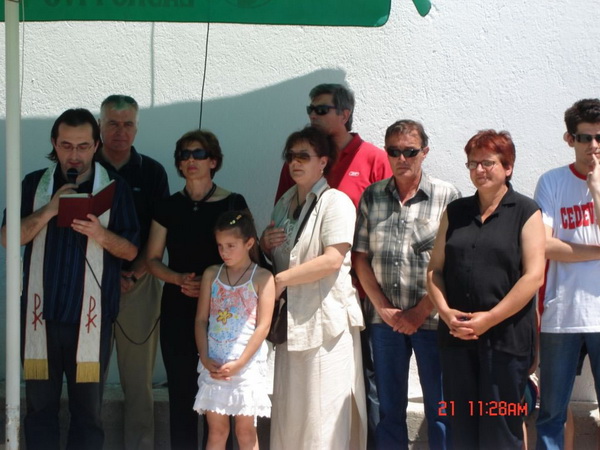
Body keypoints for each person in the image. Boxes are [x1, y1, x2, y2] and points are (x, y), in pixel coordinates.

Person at [1, 108, 139, 449]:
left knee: (88, 413)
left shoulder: (115, 189)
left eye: (82, 146)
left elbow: (130, 251)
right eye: (66, 145)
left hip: (90, 318)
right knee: (39, 409)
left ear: (96, 146)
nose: (74, 155)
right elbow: (8, 237)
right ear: (54, 143)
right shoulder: (34, 184)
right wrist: (50, 209)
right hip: (40, 317)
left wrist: (100, 234)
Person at [265, 83, 391, 448]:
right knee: (292, 408)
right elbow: (281, 249)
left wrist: (280, 280)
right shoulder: (285, 201)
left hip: (332, 311)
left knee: (326, 408)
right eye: (291, 156)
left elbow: (335, 258)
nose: (295, 163)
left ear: (323, 162)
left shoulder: (337, 199)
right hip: (292, 317)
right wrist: (261, 244)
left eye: (304, 157)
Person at [427, 130, 545, 450]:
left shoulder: (526, 211)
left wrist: (489, 318)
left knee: (500, 432)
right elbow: (435, 270)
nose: (479, 169)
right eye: (473, 163)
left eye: (488, 162)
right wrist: (445, 313)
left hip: (505, 342)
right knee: (462, 428)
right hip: (457, 338)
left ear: (508, 167)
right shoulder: (455, 212)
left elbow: (533, 277)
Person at [354, 120, 458, 449]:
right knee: (388, 409)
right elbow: (360, 258)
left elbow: (454, 263)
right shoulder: (372, 196)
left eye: (410, 151)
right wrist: (384, 309)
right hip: (384, 322)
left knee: (441, 408)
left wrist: (420, 311)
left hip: (433, 320)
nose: (402, 159)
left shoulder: (446, 196)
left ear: (424, 152)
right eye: (394, 151)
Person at [146, 129, 249, 450]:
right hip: (178, 306)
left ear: (213, 161)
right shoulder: (167, 206)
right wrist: (177, 279)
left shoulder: (233, 202)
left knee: (221, 398)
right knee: (181, 394)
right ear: (178, 164)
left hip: (223, 313)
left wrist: (210, 283)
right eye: (184, 155)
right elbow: (152, 259)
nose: (191, 160)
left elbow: (248, 257)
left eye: (199, 154)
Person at [96, 94, 170, 450]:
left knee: (139, 381)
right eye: (113, 123)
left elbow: (159, 233)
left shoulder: (152, 172)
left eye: (127, 124)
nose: (120, 132)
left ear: (136, 129)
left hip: (139, 284)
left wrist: (134, 274)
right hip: (90, 283)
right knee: (86, 378)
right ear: (100, 126)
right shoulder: (84, 166)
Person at [534, 98, 600, 449]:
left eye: (599, 137)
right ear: (569, 139)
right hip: (561, 315)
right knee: (551, 413)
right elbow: (544, 246)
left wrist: (596, 188)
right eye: (585, 137)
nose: (593, 146)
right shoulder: (552, 181)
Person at [194, 211, 275, 449]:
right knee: (217, 431)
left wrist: (240, 362)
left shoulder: (262, 277)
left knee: (246, 431)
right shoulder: (212, 274)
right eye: (220, 246)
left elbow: (263, 326)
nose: (224, 251)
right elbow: (201, 320)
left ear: (249, 243)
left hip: (246, 365)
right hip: (214, 362)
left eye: (231, 245)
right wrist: (204, 356)